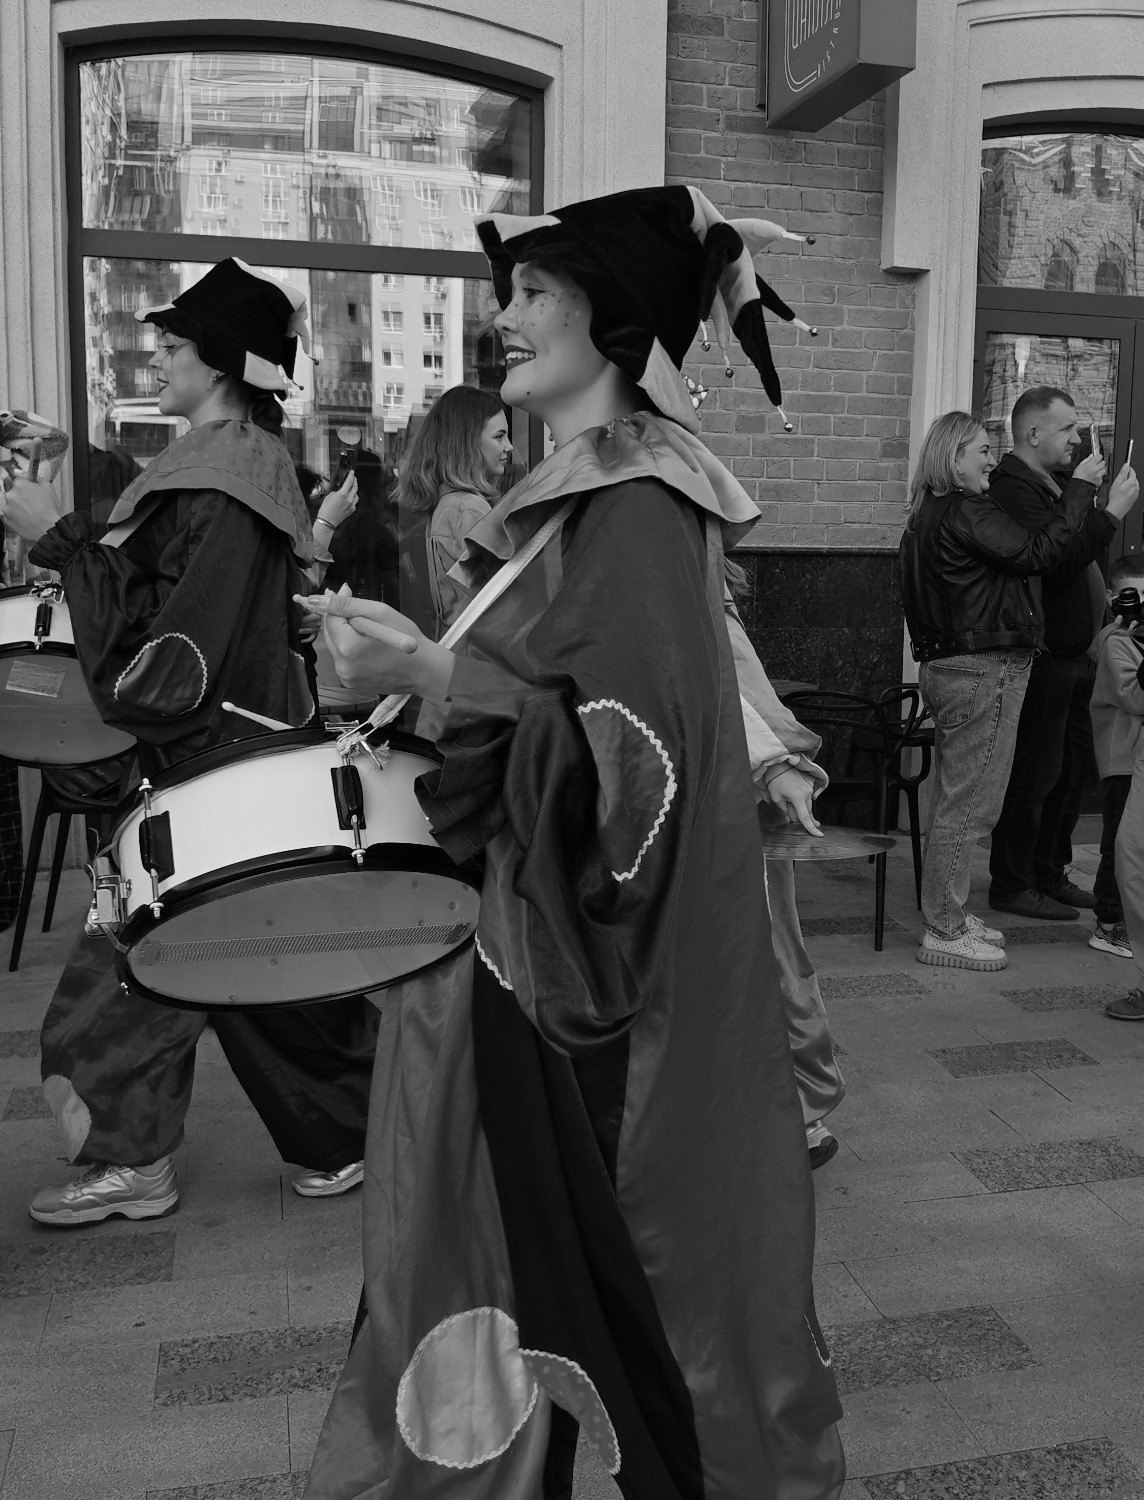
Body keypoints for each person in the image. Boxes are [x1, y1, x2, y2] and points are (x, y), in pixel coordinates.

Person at [298, 186, 845, 1498]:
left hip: (574, 987)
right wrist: (421, 667)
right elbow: (567, 712)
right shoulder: (584, 500)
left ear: (613, 321)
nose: (507, 316)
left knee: (560, 1273)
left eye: (537, 292)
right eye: (512, 292)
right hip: (523, 953)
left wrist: (429, 670)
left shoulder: (635, 506)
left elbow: (633, 769)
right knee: (515, 1270)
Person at [0, 258, 377, 1225]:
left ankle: (138, 1158)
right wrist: (66, 526)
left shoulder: (221, 478)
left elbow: (168, 660)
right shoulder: (234, 466)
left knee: (139, 968)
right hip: (234, 764)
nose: (157, 359)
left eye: (171, 346)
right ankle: (351, 1136)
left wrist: (58, 540)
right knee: (255, 964)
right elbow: (166, 586)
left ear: (218, 362)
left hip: (210, 769)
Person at [900, 410, 1135, 973]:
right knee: (969, 806)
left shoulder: (929, 512)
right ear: (954, 458)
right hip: (981, 669)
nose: (992, 459)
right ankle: (945, 929)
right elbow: (1039, 555)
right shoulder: (965, 509)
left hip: (958, 667)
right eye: (982, 450)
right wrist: (1081, 492)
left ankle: (950, 914)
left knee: (960, 801)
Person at [987, 388, 1131, 921]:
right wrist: (1108, 512)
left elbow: (1074, 550)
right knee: (1036, 772)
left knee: (1070, 773)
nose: (1077, 439)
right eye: (1067, 428)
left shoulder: (1053, 484)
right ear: (1033, 433)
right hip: (1043, 654)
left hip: (1077, 654)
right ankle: (1013, 882)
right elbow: (1057, 563)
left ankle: (1049, 872)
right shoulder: (1012, 487)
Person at [724, 572, 846, 1170]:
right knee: (761, 950)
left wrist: (773, 762)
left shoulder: (687, 564)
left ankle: (788, 1109)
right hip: (697, 798)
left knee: (764, 948)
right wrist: (774, 762)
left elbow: (724, 672)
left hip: (720, 795)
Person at [396, 386, 513, 637]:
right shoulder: (468, 509)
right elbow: (500, 603)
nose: (509, 446)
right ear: (467, 442)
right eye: (499, 436)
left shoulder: (447, 504)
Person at [1088, 556, 1144, 960]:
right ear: (1114, 598)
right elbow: (1135, 698)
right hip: (1123, 758)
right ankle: (1109, 923)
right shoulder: (1116, 643)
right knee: (1118, 845)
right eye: (1133, 595)